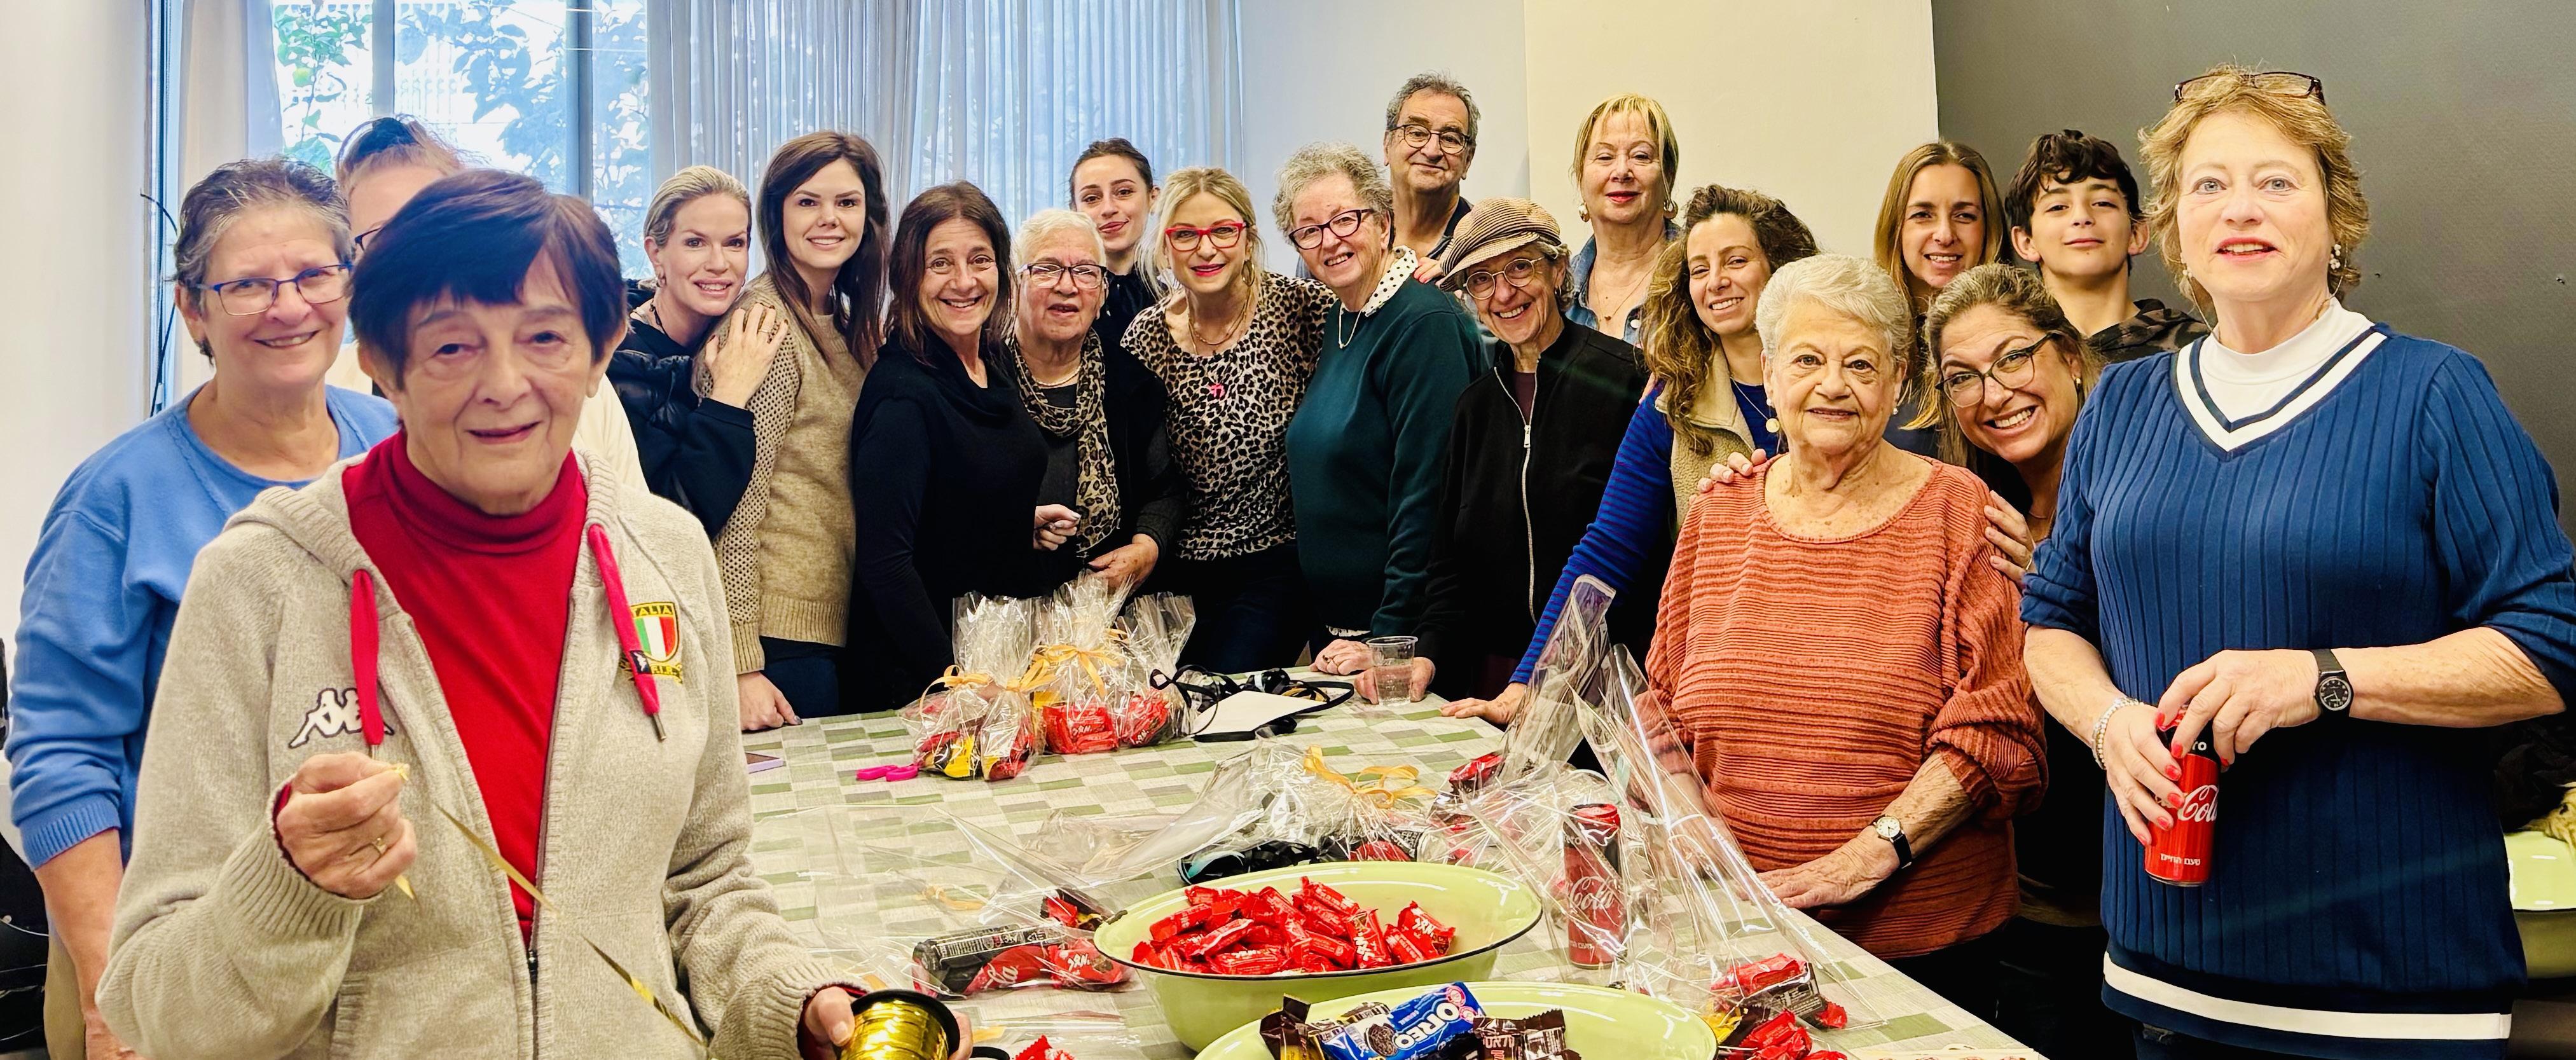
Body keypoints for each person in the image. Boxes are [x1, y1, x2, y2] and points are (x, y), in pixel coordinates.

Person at [96, 168, 914, 1060]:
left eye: (546, 337)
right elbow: (158, 1007)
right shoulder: (258, 584)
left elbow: (706, 879)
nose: (504, 383)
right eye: (452, 346)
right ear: (380, 362)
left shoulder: (666, 555)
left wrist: (790, 1001)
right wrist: (290, 884)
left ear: (601, 350)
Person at [2023, 67, 2576, 1060]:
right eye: (2207, 184)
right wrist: (2105, 722)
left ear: (2335, 219)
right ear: (2174, 225)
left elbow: (2548, 647)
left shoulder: (2432, 394)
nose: (2238, 208)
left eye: (2274, 182)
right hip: (2162, 973)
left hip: (2387, 993)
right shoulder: (2120, 405)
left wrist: (2319, 678)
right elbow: (2050, 618)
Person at [6, 158, 399, 1060]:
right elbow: (62, 754)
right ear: (193, 310)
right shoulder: (116, 498)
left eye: (313, 274)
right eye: (248, 284)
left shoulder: (399, 446)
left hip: (369, 938)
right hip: (182, 946)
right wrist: (112, 994)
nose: (288, 307)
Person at [1641, 252, 2042, 1015]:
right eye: (1807, 360)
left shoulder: (1960, 512)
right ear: (1769, 372)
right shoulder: (1719, 512)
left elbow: (2000, 731)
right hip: (1739, 933)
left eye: (1861, 364)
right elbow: (1656, 710)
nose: (1833, 384)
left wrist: (1865, 858)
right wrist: (1689, 824)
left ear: (1897, 380)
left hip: (1919, 953)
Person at [1445, 185, 1818, 725]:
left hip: (1829, 656)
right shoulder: (1670, 401)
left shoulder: (1830, 388)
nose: (1716, 281)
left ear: (1778, 267)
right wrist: (1529, 679)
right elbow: (1607, 549)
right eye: (1699, 268)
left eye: (1736, 261)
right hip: (1720, 681)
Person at [1920, 263, 2122, 1058]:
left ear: (2068, 354)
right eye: (1962, 377)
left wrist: (2051, 587)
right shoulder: (1972, 511)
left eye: (2013, 357)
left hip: (2146, 905)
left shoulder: (2142, 492)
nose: (1993, 392)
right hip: (2029, 913)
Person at [1406, 198, 1647, 701]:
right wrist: (1428, 652)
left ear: (1557, 271)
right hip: (1495, 676)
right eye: (1481, 279)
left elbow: (1646, 545)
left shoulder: (1628, 378)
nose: (1503, 293)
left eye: (1519, 267)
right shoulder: (1472, 407)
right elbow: (1446, 561)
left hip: (1609, 676)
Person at [329, 116, 647, 487]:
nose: (421, 257)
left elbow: (627, 511)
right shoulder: (328, 391)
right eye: (387, 239)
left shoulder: (578, 383)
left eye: (442, 228)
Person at [846, 183, 1064, 713]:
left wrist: (1012, 519)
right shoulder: (903, 395)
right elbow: (886, 564)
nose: (964, 281)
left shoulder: (989, 361)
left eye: (979, 260)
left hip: (990, 660)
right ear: (908, 276)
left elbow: (952, 492)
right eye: (940, 263)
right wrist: (957, 680)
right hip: (924, 683)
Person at [1273, 143, 1482, 675]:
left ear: (1384, 223)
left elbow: (1426, 494)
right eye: (1309, 230)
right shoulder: (1342, 317)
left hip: (1400, 637)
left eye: (1345, 219)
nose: (1329, 240)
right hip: (1341, 627)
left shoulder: (1422, 324)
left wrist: (1391, 634)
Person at [1121, 167, 1333, 671]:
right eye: (1185, 235)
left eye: (1222, 231)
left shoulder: (1303, 309)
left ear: (1248, 238)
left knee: (1225, 690)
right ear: (1165, 246)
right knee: (1170, 699)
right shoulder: (1144, 337)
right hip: (1177, 570)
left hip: (1275, 560)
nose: (1205, 249)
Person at [713, 131, 890, 730]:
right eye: (808, 202)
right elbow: (735, 502)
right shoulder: (764, 323)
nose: (829, 219)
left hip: (831, 625)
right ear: (777, 214)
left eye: (847, 202)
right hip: (776, 641)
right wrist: (741, 661)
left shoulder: (843, 321)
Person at [1005, 208, 1183, 593]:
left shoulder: (1133, 384)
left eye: (1086, 271)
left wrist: (1145, 548)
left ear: (1102, 293)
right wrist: (1009, 525)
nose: (1067, 286)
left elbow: (1165, 492)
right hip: (991, 606)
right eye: (1047, 269)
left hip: (1105, 604)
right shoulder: (980, 381)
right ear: (1015, 284)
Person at [610, 164, 787, 534]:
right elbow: (675, 523)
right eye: (695, 243)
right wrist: (729, 395)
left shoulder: (736, 330)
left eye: (734, 243)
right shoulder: (617, 363)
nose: (719, 264)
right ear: (656, 253)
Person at [2003, 129, 2209, 362]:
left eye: (2102, 203)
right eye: (2058, 207)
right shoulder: (2011, 356)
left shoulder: (2197, 352)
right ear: (2026, 242)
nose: (2082, 217)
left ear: (2136, 233)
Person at [1874, 141, 2006, 457]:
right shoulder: (1864, 336)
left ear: (1988, 228)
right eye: (1923, 215)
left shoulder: (2022, 334)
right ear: (1896, 227)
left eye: (1965, 215)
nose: (1945, 235)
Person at [1564, 93, 1683, 346]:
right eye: (1605, 157)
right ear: (1581, 177)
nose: (1621, 172)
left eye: (1641, 156)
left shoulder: (1698, 278)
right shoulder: (1558, 292)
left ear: (1668, 176)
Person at [1068, 138, 1161, 361]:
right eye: (1092, 198)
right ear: (1074, 210)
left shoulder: (1182, 293)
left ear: (1153, 198)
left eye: (1124, 192)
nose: (1108, 209)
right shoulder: (1064, 297)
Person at [1380, 72, 1481, 260]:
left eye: (1450, 138)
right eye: (1417, 133)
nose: (1432, 151)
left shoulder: (1487, 244)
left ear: (1468, 160)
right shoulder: (1351, 233)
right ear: (1387, 145)